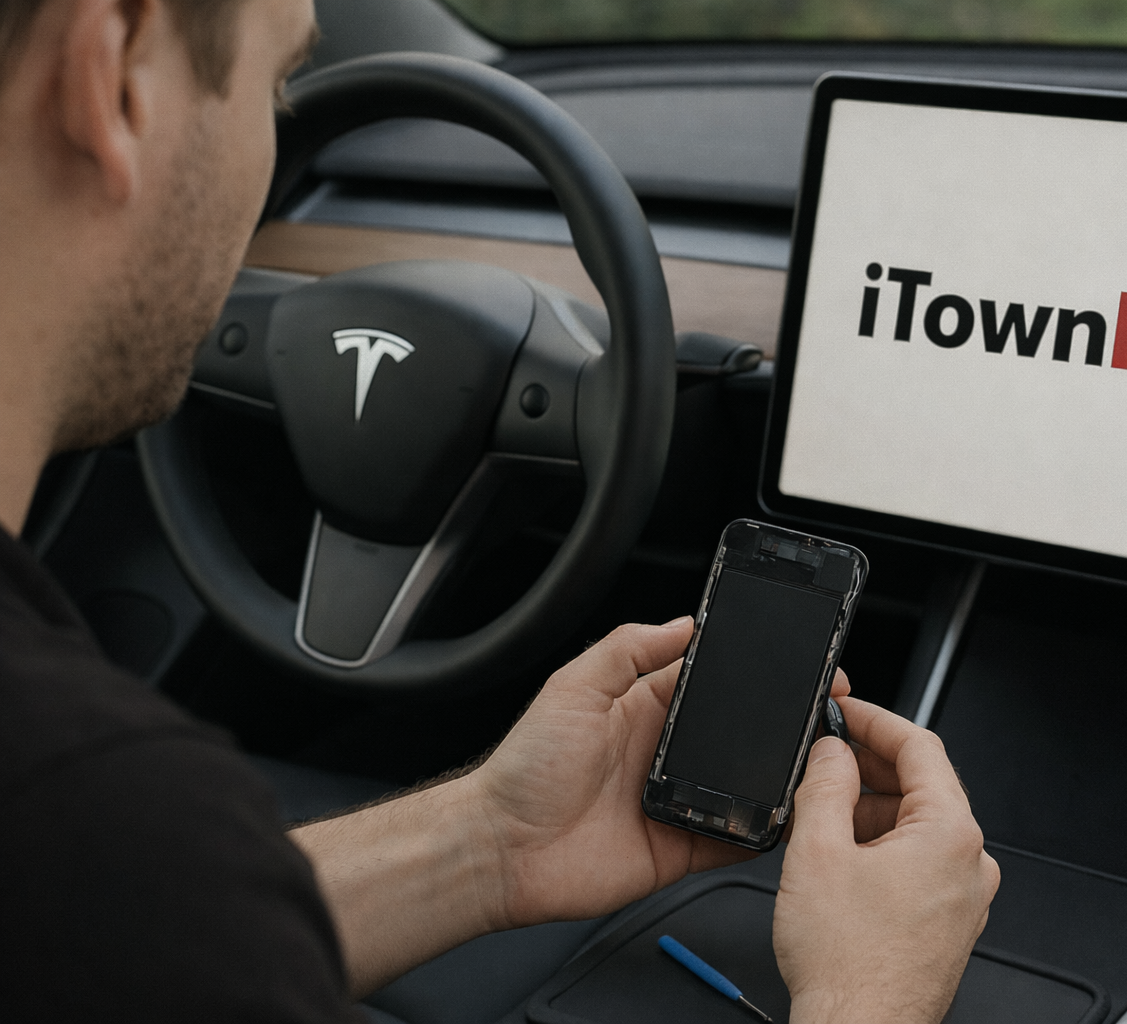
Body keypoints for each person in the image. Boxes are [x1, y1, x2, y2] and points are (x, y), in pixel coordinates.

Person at [0, 0, 1001, 1020]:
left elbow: (152, 943)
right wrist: (870, 993)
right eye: (272, 89)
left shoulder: (77, 852)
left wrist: (490, 841)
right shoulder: (89, 811)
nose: (272, 143)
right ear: (115, 70)